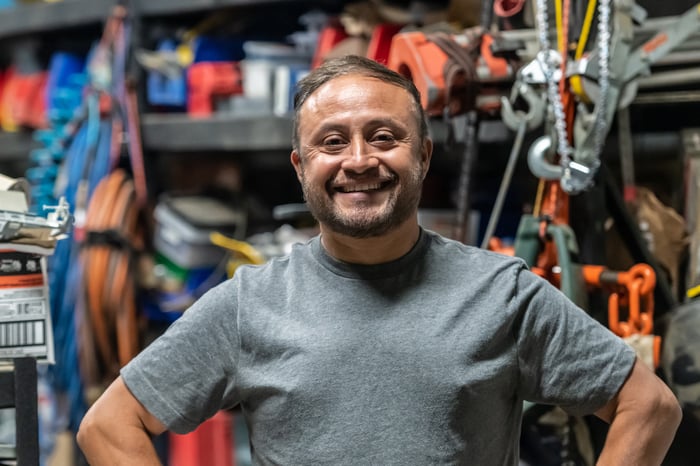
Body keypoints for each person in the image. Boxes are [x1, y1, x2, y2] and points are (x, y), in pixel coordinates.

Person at [77, 55, 681, 465]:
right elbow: (108, 427)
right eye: (332, 141)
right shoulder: (248, 304)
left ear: (422, 156)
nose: (359, 159)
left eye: (385, 137)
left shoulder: (501, 293)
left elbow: (648, 406)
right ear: (301, 166)